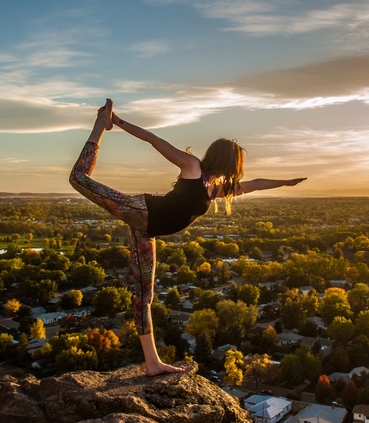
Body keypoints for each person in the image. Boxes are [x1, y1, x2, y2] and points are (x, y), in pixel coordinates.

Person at [69, 99, 306, 376]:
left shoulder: (213, 189)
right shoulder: (193, 167)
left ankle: (152, 363)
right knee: (78, 178)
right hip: (140, 210)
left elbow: (253, 185)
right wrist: (116, 122)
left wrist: (285, 183)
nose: (238, 170)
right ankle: (100, 124)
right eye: (237, 163)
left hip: (146, 230)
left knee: (144, 297)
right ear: (228, 161)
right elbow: (154, 140)